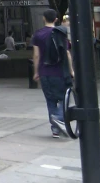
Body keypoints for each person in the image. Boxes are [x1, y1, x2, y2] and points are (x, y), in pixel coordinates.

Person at [32, 9, 74, 137]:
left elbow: (36, 55)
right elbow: (67, 53)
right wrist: (71, 70)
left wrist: (36, 72)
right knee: (63, 99)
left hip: (45, 72)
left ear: (44, 18)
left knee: (50, 100)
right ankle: (59, 119)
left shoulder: (37, 34)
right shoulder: (60, 33)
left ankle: (55, 129)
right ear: (56, 19)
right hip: (60, 72)